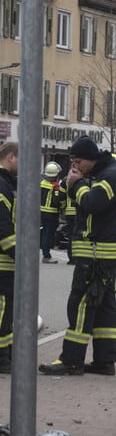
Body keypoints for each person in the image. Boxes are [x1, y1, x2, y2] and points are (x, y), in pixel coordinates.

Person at [39, 136, 116, 376]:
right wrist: (74, 185)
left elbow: (92, 203)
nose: (74, 167)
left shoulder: (111, 176)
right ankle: (104, 361)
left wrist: (76, 185)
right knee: (104, 308)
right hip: (100, 254)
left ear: (90, 159)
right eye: (72, 162)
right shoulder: (99, 174)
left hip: (98, 255)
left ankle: (71, 360)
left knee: (80, 305)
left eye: (77, 162)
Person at [0, 143, 17, 374]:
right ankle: (2, 360)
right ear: (11, 157)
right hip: (4, 262)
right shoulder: (2, 186)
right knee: (3, 312)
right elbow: (3, 226)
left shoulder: (6, 184)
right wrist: (20, 255)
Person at [40, 161, 63, 263]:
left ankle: (45, 254)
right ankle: (47, 256)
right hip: (52, 213)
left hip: (42, 212)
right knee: (48, 235)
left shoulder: (42, 183)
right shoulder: (55, 186)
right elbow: (56, 201)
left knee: (45, 233)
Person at [60, 173, 77, 265]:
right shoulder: (84, 179)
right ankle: (77, 258)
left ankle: (71, 258)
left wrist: (63, 207)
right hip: (80, 212)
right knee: (79, 236)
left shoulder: (65, 181)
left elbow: (61, 197)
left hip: (69, 212)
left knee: (71, 236)